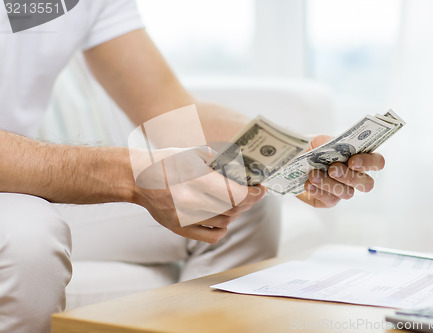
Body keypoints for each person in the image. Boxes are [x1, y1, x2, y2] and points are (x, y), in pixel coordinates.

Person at [0, 1, 385, 332]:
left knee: (239, 193)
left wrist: (296, 158)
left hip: (34, 186)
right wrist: (133, 175)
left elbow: (168, 111)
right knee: (29, 238)